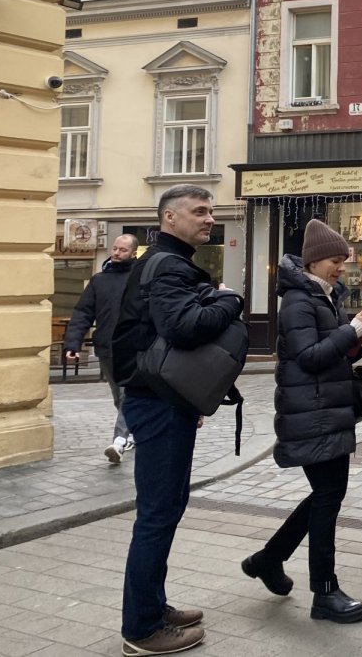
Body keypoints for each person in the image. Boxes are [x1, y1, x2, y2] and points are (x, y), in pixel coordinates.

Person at [111, 185, 245, 656]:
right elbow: (184, 328)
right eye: (199, 212)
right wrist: (231, 300)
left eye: (210, 211)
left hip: (162, 398)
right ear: (170, 217)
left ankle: (153, 604)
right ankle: (143, 629)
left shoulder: (163, 262)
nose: (209, 219)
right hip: (158, 403)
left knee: (164, 507)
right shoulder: (167, 265)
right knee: (158, 512)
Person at [241, 219, 362, 623]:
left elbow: (331, 355)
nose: (341, 267)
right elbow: (309, 357)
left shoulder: (323, 296)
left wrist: (360, 339)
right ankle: (324, 592)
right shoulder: (300, 302)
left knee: (326, 495)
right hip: (313, 413)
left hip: (326, 410)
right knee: (327, 497)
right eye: (336, 261)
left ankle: (269, 560)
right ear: (316, 261)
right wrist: (351, 330)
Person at [63, 234, 138, 463]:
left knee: (127, 394)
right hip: (106, 347)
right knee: (118, 396)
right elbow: (83, 313)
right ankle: (133, 431)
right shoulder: (99, 280)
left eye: (122, 250)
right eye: (115, 248)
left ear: (133, 254)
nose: (116, 253)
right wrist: (73, 343)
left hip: (132, 346)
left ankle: (119, 442)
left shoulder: (140, 278)